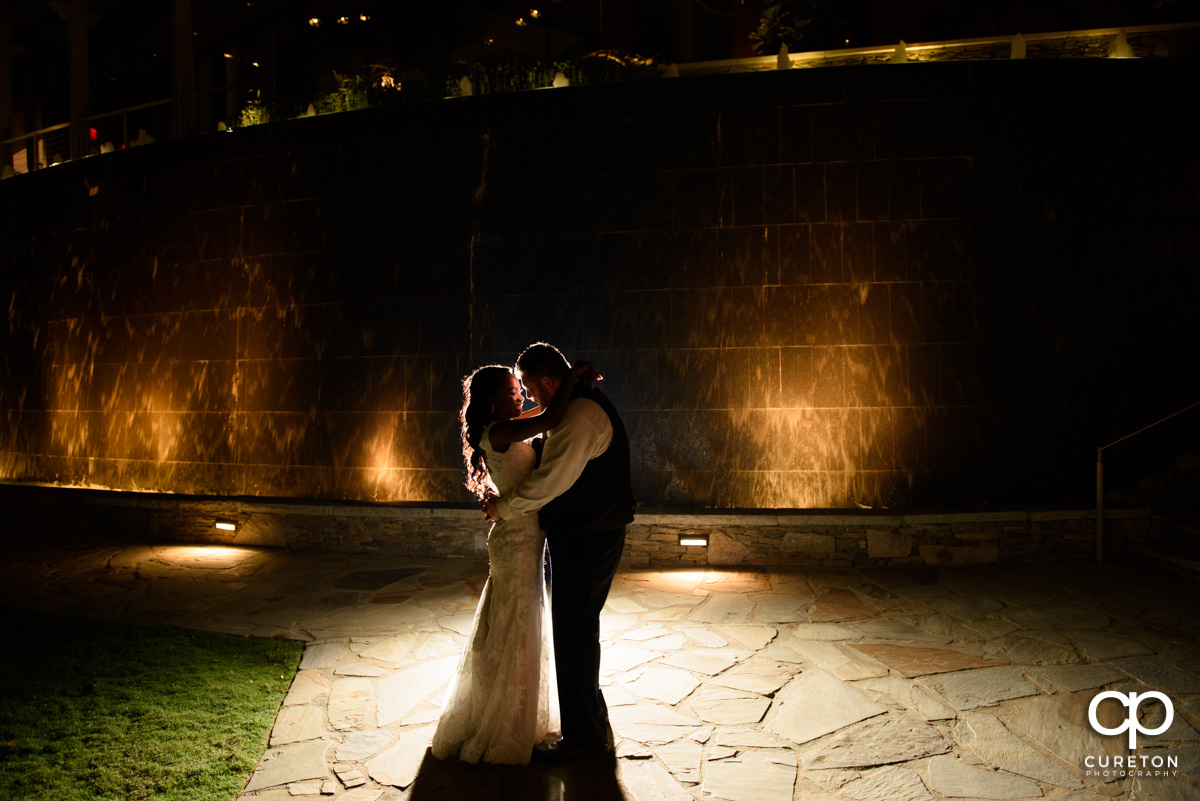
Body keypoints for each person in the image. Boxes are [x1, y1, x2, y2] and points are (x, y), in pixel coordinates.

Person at [484, 342, 635, 762]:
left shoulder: (579, 416)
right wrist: (572, 378)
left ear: (547, 382)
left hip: (587, 536)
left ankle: (585, 740)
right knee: (577, 630)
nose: (529, 398)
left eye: (530, 390)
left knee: (573, 632)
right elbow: (544, 420)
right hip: (586, 532)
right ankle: (591, 722)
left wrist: (505, 508)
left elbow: (552, 481)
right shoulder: (570, 405)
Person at [431, 361, 587, 765]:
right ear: (491, 400)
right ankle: (504, 727)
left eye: (521, 388)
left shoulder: (509, 425)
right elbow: (551, 414)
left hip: (523, 537)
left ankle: (510, 715)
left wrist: (566, 387)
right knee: (516, 626)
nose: (521, 395)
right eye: (512, 390)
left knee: (513, 624)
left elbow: (543, 412)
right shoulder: (498, 432)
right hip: (516, 540)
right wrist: (572, 376)